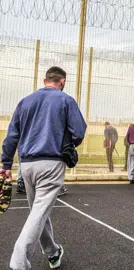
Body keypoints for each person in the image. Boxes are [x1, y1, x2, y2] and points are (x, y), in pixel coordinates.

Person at [0, 66, 87, 269]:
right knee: (39, 213)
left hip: (27, 165)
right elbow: (79, 132)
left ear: (44, 79)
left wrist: (5, 164)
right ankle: (19, 263)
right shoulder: (66, 100)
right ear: (63, 81)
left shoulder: (25, 101)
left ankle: (52, 252)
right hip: (51, 163)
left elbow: (12, 135)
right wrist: (68, 144)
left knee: (38, 211)